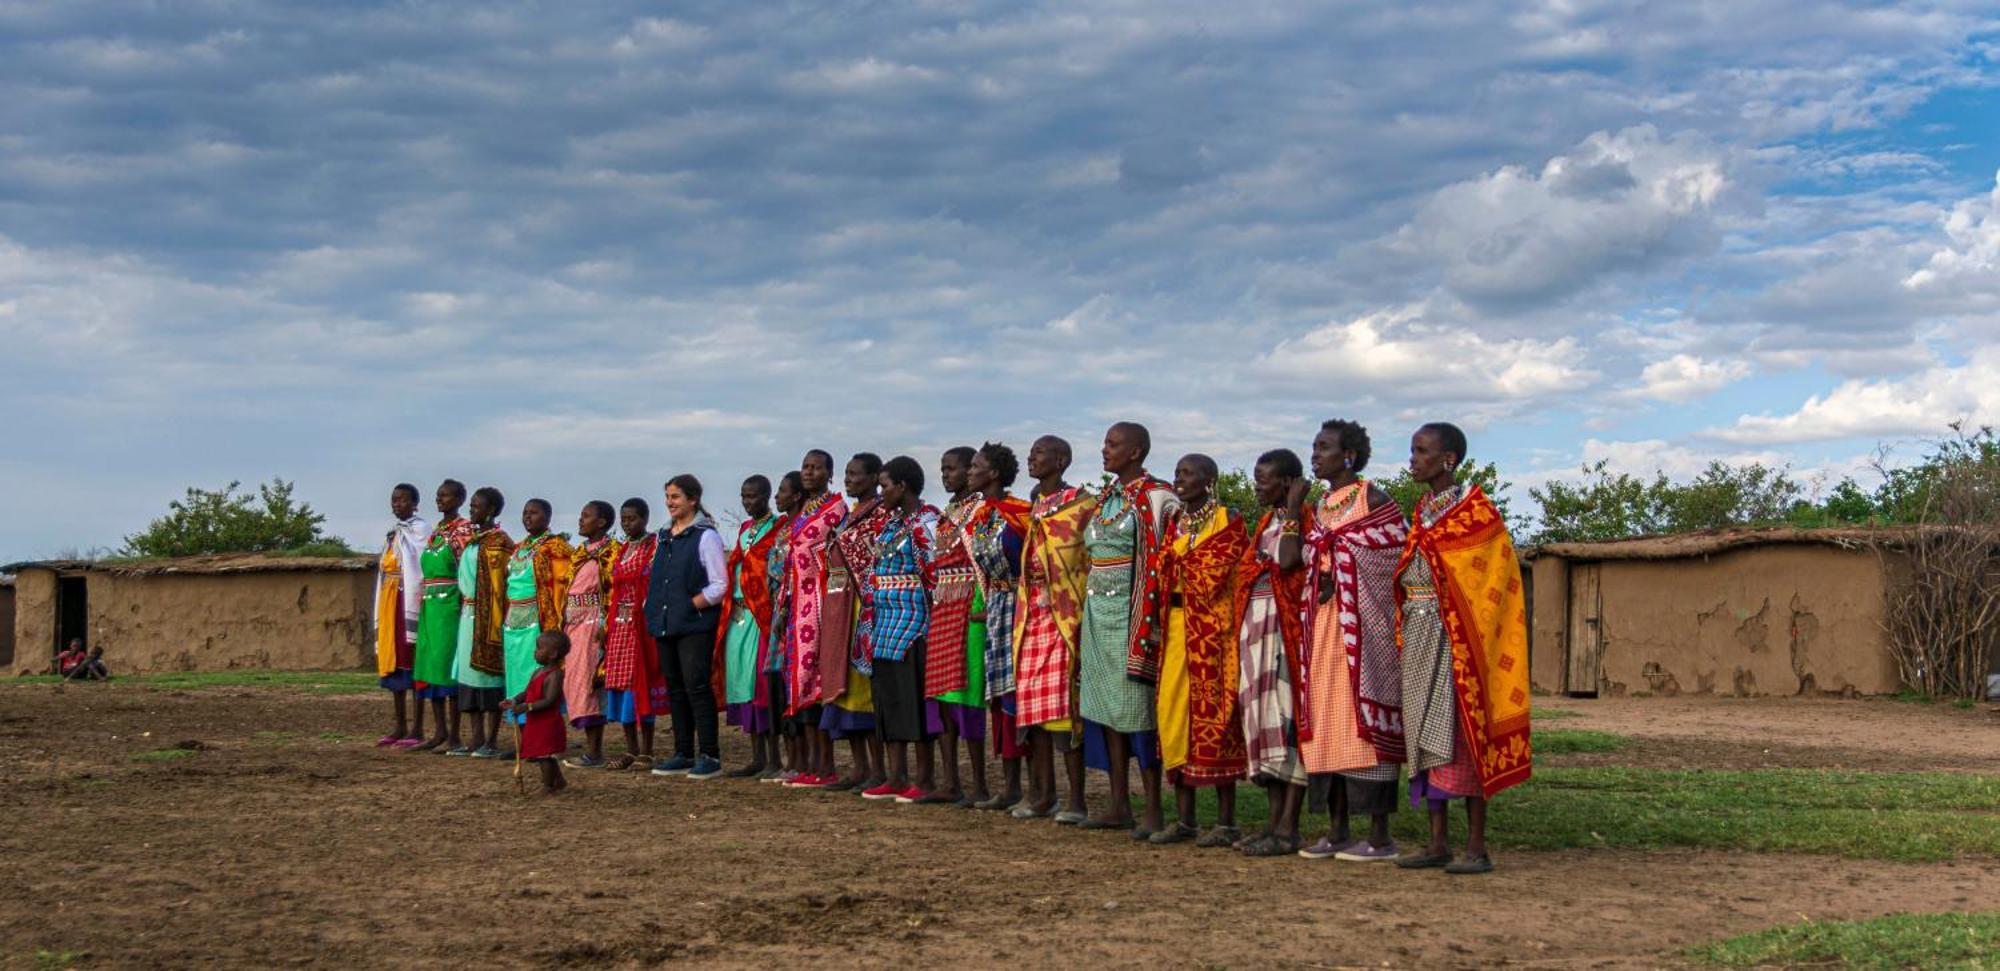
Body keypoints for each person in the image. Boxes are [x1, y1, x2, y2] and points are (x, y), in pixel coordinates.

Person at [1393, 421, 1532, 874]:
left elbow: (1494, 580)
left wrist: (1458, 623)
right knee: (1423, 730)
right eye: (1412, 450)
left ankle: (1476, 846)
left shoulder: (1476, 513)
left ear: (1448, 458)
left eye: (1421, 450)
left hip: (1458, 641)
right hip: (1418, 633)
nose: (1412, 459)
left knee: (1462, 734)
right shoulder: (1424, 510)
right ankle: (1437, 843)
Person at [1295, 420, 1411, 862]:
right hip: (1324, 630)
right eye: (1314, 446)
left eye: (1323, 447)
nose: (1315, 454)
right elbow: (1306, 557)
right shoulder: (1321, 507)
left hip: (1365, 631)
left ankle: (1380, 837)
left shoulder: (1373, 499)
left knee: (1365, 726)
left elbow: (1389, 551)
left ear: (1348, 456)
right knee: (1327, 722)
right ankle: (1337, 829)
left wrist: (1337, 558)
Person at [1143, 454, 1249, 847]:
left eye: (1187, 474)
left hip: (1212, 632)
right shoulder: (1175, 523)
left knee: (1218, 719)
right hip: (1174, 629)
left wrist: (1179, 561)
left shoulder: (1228, 518)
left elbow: (1221, 567)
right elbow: (1162, 569)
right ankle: (1184, 819)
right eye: (1177, 474)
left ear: (1209, 480)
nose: (1179, 480)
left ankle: (1226, 822)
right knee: (1172, 717)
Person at [1078, 422, 1177, 838]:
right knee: (1105, 711)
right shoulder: (1107, 498)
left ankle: (1154, 807)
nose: (1105, 450)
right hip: (1097, 612)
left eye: (1113, 444)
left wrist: (1149, 618)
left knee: (1137, 711)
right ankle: (1119, 803)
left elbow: (1162, 559)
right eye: (1104, 443)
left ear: (1136, 451)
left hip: (1135, 614)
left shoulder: (1157, 497)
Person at [1232, 450, 1313, 856]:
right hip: (1257, 632)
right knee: (1263, 726)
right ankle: (1272, 824)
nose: (1256, 486)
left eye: (1263, 479)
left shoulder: (1305, 519)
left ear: (1286, 483)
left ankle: (1288, 829)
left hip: (1286, 634)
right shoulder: (1266, 522)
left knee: (1287, 725)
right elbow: (1249, 572)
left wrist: (1296, 508)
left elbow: (1288, 560)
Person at [1013, 435, 1093, 823]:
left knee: (1065, 712)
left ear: (1060, 461)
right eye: (1031, 453)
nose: (1032, 457)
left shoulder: (1081, 504)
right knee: (1033, 714)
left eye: (1039, 453)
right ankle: (1042, 795)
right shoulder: (1035, 505)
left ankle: (1077, 800)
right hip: (1031, 617)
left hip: (1066, 614)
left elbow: (1085, 557)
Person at [860, 456, 939, 802]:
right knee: (888, 702)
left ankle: (924, 779)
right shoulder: (890, 525)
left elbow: (935, 574)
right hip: (884, 626)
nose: (881, 493)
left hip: (914, 625)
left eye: (885, 485)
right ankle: (895, 776)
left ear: (902, 486)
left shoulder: (927, 521)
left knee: (913, 704)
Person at [647, 474, 730, 780]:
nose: (670, 503)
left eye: (676, 497)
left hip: (694, 624)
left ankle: (710, 754)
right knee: (675, 688)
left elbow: (719, 584)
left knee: (697, 686)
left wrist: (691, 604)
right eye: (667, 496)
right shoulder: (664, 536)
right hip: (666, 623)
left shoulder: (705, 536)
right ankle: (683, 752)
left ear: (693, 499)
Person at [965, 443, 1031, 811]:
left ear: (993, 474)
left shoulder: (1019, 514)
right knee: (1000, 698)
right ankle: (1011, 786)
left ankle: (1034, 788)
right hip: (997, 609)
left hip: (1021, 607)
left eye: (976, 466)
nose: (971, 472)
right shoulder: (983, 517)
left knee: (1018, 696)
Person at [924, 446, 989, 806]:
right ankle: (951, 782)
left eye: (951, 469)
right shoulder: (948, 515)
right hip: (944, 607)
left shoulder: (981, 512)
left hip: (972, 606)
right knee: (943, 699)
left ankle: (979, 784)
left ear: (970, 472)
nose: (945, 475)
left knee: (969, 697)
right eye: (943, 469)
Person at [821, 453, 890, 791]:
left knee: (866, 690)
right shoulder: (850, 517)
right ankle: (860, 767)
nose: (848, 480)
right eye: (846, 474)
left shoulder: (879, 516)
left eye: (855, 474)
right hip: (841, 610)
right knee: (844, 686)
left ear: (875, 477)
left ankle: (879, 769)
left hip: (867, 608)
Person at [781, 450, 849, 788]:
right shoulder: (805, 511)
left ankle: (827, 766)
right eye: (805, 466)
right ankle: (809, 764)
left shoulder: (835, 510)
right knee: (801, 682)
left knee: (818, 683)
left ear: (828, 474)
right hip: (797, 607)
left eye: (816, 468)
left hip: (822, 605)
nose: (808, 472)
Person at [719, 475, 786, 778]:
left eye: (754, 497)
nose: (748, 503)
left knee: (763, 687)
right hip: (738, 617)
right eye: (744, 496)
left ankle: (775, 759)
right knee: (743, 685)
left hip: (763, 617)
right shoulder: (745, 530)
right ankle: (756, 757)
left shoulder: (778, 528)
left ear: (767, 497)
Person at [503, 500, 573, 748]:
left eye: (534, 513)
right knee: (516, 680)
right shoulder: (519, 548)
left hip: (537, 620)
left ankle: (539, 739)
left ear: (548, 517)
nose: (527, 517)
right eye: (524, 513)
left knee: (538, 680)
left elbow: (563, 586)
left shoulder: (556, 547)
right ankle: (522, 741)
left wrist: (555, 623)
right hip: (513, 623)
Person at [603, 498, 665, 770]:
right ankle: (630, 749)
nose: (627, 524)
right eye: (624, 519)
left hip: (641, 624)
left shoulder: (654, 547)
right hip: (620, 625)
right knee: (620, 685)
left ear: (645, 518)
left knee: (640, 684)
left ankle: (647, 750)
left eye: (632, 519)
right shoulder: (623, 549)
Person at [413, 480, 474, 753]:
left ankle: (455, 736)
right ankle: (438, 732)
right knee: (430, 668)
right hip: (429, 605)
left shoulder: (463, 531)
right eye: (438, 495)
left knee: (450, 670)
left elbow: (466, 571)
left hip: (450, 605)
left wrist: (462, 603)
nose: (440, 500)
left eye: (446, 496)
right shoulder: (437, 531)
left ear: (459, 499)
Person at [451, 487, 512, 758]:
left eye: (477, 506)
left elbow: (503, 584)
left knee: (489, 677)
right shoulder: (473, 542)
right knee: (467, 676)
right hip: (468, 616)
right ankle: (475, 739)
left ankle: (492, 740)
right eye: (472, 506)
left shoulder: (500, 543)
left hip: (490, 619)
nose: (472, 510)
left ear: (491, 510)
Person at [561, 501, 619, 768]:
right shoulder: (579, 553)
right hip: (573, 626)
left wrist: (605, 627)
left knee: (590, 684)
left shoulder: (611, 552)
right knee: (575, 683)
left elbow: (611, 591)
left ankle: (595, 752)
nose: (580, 520)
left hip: (593, 625)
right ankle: (590, 748)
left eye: (586, 516)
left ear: (602, 522)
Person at [374, 483, 432, 749]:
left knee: (413, 662)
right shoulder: (392, 535)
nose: (397, 504)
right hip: (390, 602)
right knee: (395, 662)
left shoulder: (421, 531)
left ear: (415, 504)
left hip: (409, 602)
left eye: (403, 500)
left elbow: (419, 567)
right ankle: (399, 725)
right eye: (394, 500)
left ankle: (418, 728)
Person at [761, 472, 806, 782]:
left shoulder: (803, 529)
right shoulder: (782, 530)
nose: (777, 496)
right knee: (780, 689)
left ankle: (803, 761)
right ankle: (790, 761)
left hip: (798, 614)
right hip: (780, 613)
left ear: (797, 496)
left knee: (796, 689)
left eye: (783, 491)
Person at [502, 630, 571, 795]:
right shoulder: (537, 672)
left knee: (544, 755)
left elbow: (549, 700)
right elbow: (527, 692)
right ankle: (559, 781)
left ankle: (548, 785)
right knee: (542, 753)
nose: (535, 652)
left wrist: (527, 707)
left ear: (553, 653)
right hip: (536, 720)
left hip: (547, 722)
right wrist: (514, 701)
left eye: (540, 648)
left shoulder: (554, 675)